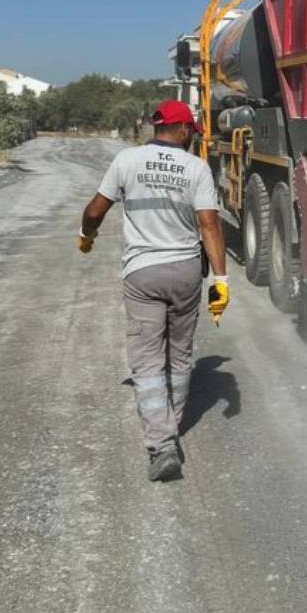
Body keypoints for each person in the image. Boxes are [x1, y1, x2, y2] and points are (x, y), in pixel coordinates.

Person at [78, 99, 229, 481]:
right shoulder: (196, 168)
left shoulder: (127, 161)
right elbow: (209, 224)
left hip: (143, 274)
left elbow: (95, 210)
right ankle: (172, 427)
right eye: (192, 131)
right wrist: (220, 282)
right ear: (181, 131)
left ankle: (161, 446)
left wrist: (86, 237)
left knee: (146, 362)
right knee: (179, 357)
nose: (192, 137)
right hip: (185, 273)